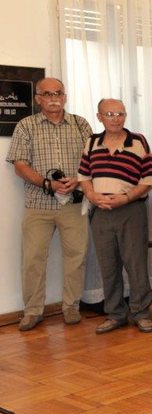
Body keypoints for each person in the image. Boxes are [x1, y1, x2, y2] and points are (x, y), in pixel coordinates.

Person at [6, 77, 92, 331]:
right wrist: (47, 184)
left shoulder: (81, 124)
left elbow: (93, 161)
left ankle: (71, 307)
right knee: (32, 259)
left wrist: (78, 180)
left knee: (76, 257)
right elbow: (20, 165)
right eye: (47, 94)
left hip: (74, 203)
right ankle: (33, 311)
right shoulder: (26, 125)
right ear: (38, 98)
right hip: (38, 204)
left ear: (65, 97)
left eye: (58, 93)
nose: (54, 98)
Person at [78, 98, 152, 334]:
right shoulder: (92, 142)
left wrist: (126, 198)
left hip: (130, 210)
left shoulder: (138, 141)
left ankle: (141, 313)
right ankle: (115, 314)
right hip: (101, 211)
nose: (116, 119)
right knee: (108, 266)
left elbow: (149, 179)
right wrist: (92, 195)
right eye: (110, 114)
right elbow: (84, 176)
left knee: (136, 264)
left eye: (120, 114)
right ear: (99, 117)